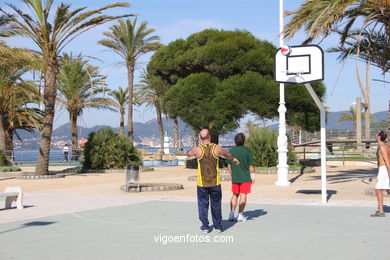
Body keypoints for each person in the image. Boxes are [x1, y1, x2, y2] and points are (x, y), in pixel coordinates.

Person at [187, 129, 239, 233]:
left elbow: (188, 153)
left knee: (203, 205)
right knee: (216, 204)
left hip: (202, 184)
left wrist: (188, 152)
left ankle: (205, 226)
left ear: (200, 138)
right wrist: (233, 159)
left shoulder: (197, 149)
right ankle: (217, 226)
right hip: (215, 183)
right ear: (209, 137)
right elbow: (227, 154)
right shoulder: (217, 148)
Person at [227, 133, 255, 222]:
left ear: (235, 141)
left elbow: (229, 165)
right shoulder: (247, 151)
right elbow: (251, 166)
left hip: (235, 177)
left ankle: (231, 214)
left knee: (234, 195)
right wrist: (253, 176)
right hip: (245, 178)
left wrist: (232, 175)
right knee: (243, 195)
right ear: (244, 140)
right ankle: (240, 215)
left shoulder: (231, 151)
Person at [371, 130, 390, 217]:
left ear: (379, 136)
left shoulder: (382, 146)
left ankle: (381, 211)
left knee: (378, 189)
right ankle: (381, 210)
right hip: (383, 169)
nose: (375, 134)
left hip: (384, 169)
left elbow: (387, 161)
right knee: (388, 190)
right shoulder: (384, 145)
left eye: (377, 133)